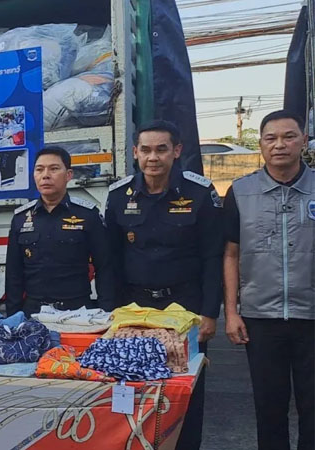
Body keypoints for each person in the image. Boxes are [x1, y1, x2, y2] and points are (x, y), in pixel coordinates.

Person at [104, 120, 223, 450]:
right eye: (145, 150)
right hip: (134, 308)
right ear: (135, 153)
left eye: (161, 149)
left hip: (186, 308)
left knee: (183, 390)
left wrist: (210, 313)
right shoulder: (118, 196)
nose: (152, 157)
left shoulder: (199, 193)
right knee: (131, 387)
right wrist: (109, 309)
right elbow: (110, 261)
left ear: (177, 151)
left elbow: (213, 257)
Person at [222, 110, 314, 450]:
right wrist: (232, 313)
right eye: (270, 138)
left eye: (289, 136)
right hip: (260, 318)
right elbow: (230, 255)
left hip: (311, 315)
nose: (280, 145)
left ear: (304, 141)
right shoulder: (240, 192)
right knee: (269, 407)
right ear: (260, 144)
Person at [6, 146, 115, 317]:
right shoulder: (20, 218)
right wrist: (14, 316)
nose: (45, 175)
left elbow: (105, 268)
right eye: (39, 169)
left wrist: (105, 312)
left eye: (54, 169)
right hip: (34, 313)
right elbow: (14, 273)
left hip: (77, 312)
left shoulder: (88, 215)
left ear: (69, 175)